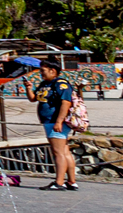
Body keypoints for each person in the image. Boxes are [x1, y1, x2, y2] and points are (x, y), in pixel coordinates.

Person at [27, 60, 78, 191]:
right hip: (48, 121)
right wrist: (28, 88)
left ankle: (59, 182)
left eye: (43, 71)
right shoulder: (45, 84)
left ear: (53, 71)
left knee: (58, 152)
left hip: (54, 121)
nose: (41, 74)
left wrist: (59, 122)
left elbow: (66, 103)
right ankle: (71, 181)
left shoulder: (61, 84)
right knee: (65, 152)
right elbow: (33, 99)